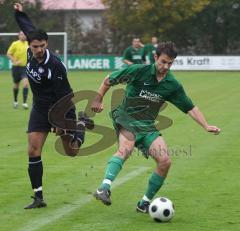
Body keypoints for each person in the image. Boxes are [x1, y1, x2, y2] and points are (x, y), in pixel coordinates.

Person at [91, 41, 220, 213]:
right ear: (155, 57)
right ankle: (104, 187)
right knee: (126, 148)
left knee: (165, 161)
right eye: (163, 62)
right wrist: (98, 99)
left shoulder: (172, 85)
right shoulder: (138, 71)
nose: (166, 66)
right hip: (126, 118)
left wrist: (206, 125)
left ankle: (144, 203)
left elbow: (189, 107)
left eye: (170, 63)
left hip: (147, 125)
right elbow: (108, 80)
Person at [14, 3, 94, 209]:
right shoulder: (31, 50)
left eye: (42, 46)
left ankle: (81, 125)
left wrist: (59, 123)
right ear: (30, 46)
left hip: (62, 108)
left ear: (46, 44)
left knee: (71, 152)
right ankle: (38, 197)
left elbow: (65, 97)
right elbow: (27, 26)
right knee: (33, 150)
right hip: (40, 108)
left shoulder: (55, 66)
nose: (38, 50)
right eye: (35, 46)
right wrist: (19, 12)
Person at [7, 30, 29, 109]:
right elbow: (9, 53)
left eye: (24, 34)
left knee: (26, 84)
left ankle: (24, 103)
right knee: (16, 85)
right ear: (18, 36)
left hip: (25, 68)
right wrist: (15, 61)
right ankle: (15, 101)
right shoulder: (15, 44)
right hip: (16, 68)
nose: (23, 36)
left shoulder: (28, 44)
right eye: (21, 34)